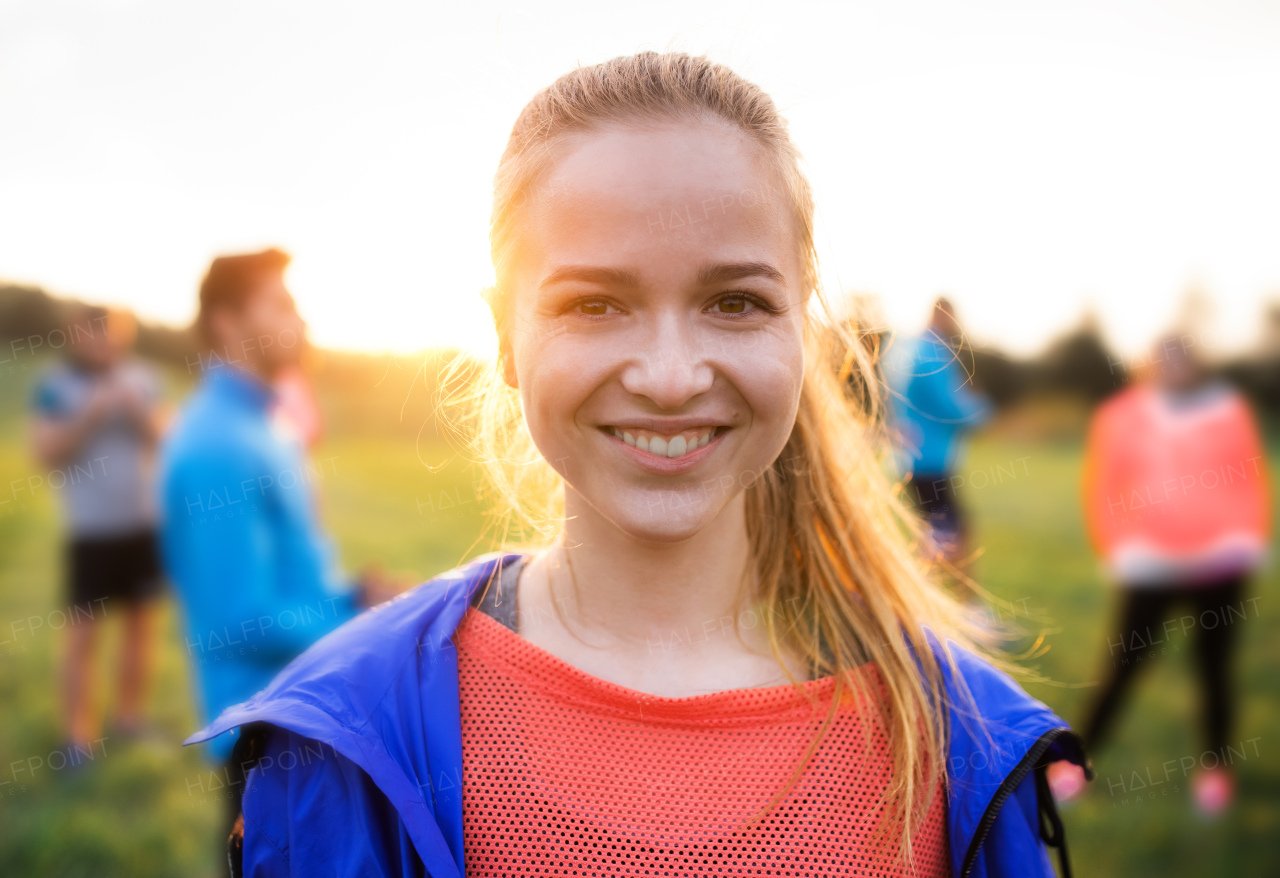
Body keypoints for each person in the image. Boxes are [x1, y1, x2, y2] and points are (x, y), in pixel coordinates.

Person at [189, 54, 1089, 877]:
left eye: (735, 301)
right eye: (596, 304)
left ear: (800, 326)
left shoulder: (954, 739)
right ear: (505, 334)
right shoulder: (347, 740)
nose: (670, 377)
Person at [158, 249, 391, 843]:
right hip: (263, 742)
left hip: (302, 716)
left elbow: (289, 581)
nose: (302, 320)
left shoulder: (265, 423)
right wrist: (372, 631)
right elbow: (241, 618)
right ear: (227, 323)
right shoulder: (217, 441)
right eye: (282, 305)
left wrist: (352, 597)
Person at [1067, 336, 1269, 814]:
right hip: (1150, 564)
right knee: (1121, 667)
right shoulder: (1120, 416)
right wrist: (1117, 546)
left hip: (1220, 561)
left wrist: (1248, 537)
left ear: (1198, 362)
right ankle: (1075, 765)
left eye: (1184, 356)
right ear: (1149, 364)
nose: (1175, 366)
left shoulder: (1228, 410)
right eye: (1165, 357)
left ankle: (1216, 770)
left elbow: (1249, 478)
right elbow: (1103, 485)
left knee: (1214, 670)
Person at [30, 304, 166, 753]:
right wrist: (89, 414)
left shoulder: (142, 380)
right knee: (82, 638)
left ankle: (128, 718)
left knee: (140, 627)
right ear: (76, 334)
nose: (108, 342)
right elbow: (43, 452)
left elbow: (169, 440)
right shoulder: (55, 388)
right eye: (97, 333)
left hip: (140, 527)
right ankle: (78, 741)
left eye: (115, 333)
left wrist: (137, 413)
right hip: (90, 533)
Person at [885, 297, 993, 570]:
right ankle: (961, 607)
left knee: (937, 536)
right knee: (952, 536)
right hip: (928, 460)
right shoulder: (931, 353)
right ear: (943, 314)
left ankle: (937, 604)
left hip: (918, 457)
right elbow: (948, 405)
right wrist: (982, 411)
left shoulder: (916, 349)